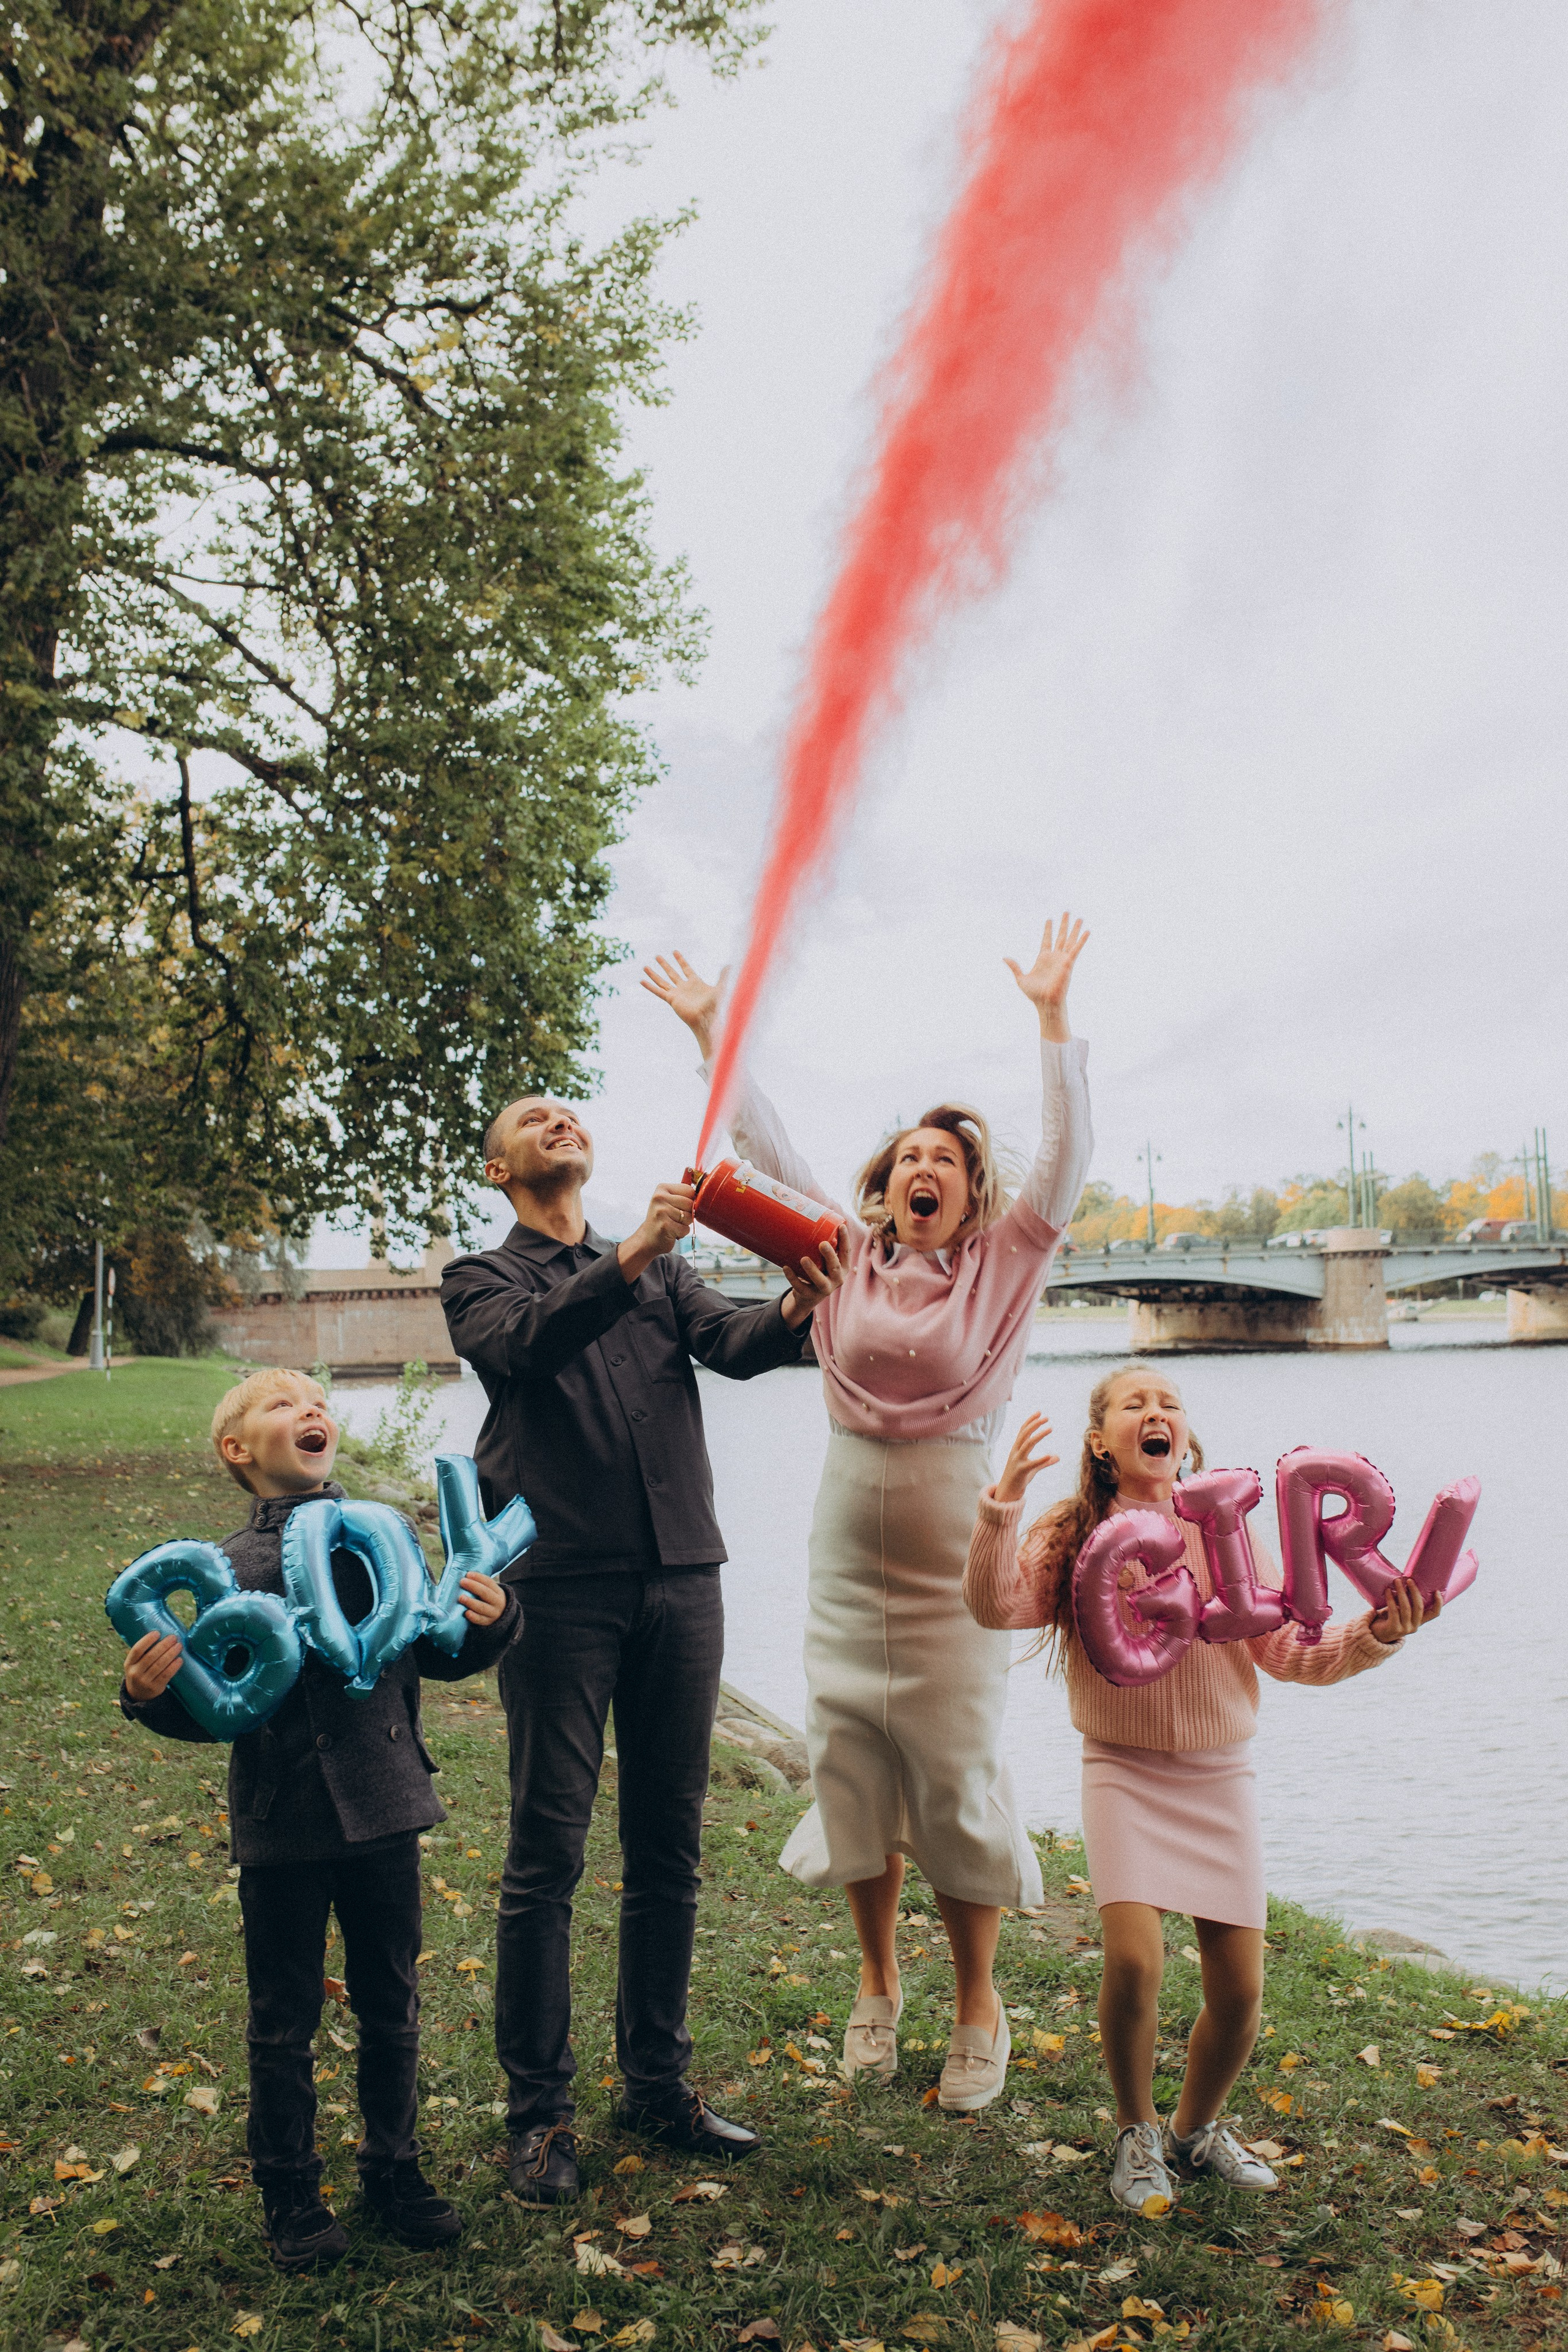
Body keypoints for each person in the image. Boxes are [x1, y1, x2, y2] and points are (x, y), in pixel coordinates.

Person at [643, 913, 1091, 2114]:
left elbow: (1067, 1157)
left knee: (951, 1769)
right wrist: (708, 1031)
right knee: (847, 1760)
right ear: (883, 1188)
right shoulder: (836, 1255)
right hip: (846, 1537)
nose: (925, 1171)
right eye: (907, 1160)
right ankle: (877, 1985)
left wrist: (1049, 1019)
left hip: (955, 1548)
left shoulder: (1001, 1267)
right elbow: (762, 1141)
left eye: (946, 1160)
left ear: (969, 1192)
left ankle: (977, 2003)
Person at [439, 1096, 840, 2204]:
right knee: (546, 1858)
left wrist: (799, 1307)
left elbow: (736, 1346)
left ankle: (658, 2086)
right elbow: (526, 1344)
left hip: (682, 1580)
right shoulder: (482, 1278)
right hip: (558, 1592)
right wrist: (631, 1255)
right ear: (498, 1166)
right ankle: (539, 2117)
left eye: (569, 1109)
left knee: (669, 1853)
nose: (558, 1118)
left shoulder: (663, 1273)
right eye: (533, 1117)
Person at [963, 1363, 1441, 2214]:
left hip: (1221, 1775)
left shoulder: (1225, 1530)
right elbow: (998, 1607)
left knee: (1241, 1994)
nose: (1157, 1413)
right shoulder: (1076, 1532)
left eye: (1171, 1404)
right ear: (1101, 1441)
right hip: (1123, 1770)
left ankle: (1194, 2130)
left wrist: (1376, 1635)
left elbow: (1289, 1653)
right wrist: (1001, 1505)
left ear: (1184, 1433)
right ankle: (1135, 2131)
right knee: (1135, 1962)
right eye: (1135, 1404)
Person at [118, 1368, 519, 2272]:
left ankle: (394, 2166)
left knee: (391, 2005)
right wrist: (148, 1695)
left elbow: (438, 1655)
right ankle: (290, 2189)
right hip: (282, 1823)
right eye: (280, 1403)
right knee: (283, 2017)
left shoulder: (385, 1540)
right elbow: (213, 1702)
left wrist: (494, 1624)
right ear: (237, 1449)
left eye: (318, 1402)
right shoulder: (226, 1571)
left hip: (386, 1810)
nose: (310, 1411)